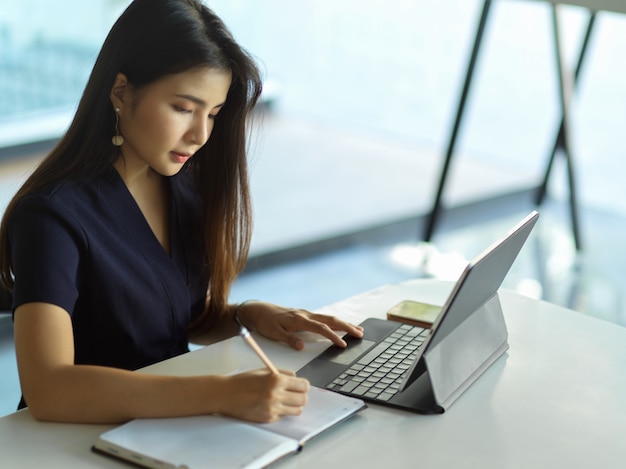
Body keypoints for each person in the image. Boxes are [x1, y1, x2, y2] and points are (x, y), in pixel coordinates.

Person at [0, 0, 363, 424]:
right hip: (75, 439)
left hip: (164, 424)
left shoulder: (181, 187)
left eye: (213, 113)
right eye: (183, 108)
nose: (201, 134)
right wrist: (219, 393)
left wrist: (246, 315)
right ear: (121, 92)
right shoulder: (52, 216)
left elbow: (174, 322)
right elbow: (51, 389)